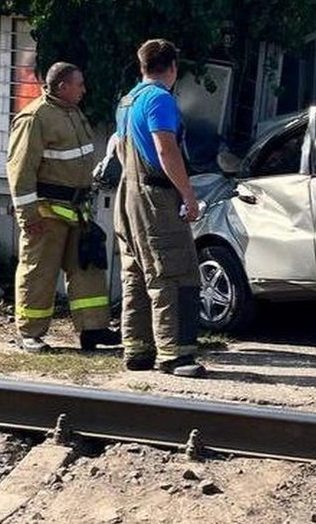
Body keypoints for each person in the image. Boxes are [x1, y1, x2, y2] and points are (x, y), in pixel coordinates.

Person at [6, 62, 120, 353]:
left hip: (77, 210)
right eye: (79, 85)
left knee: (87, 269)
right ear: (62, 87)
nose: (84, 90)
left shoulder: (72, 112)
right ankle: (30, 334)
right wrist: (28, 216)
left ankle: (93, 329)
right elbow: (20, 171)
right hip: (46, 212)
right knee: (38, 272)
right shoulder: (34, 118)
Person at [113, 39, 205, 377]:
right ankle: (176, 355)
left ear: (141, 67)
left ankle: (137, 351)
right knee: (173, 271)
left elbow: (122, 150)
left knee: (135, 273)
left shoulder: (127, 100)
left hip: (128, 194)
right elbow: (166, 150)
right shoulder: (159, 99)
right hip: (155, 199)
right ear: (173, 68)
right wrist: (188, 196)